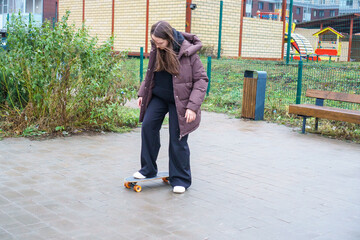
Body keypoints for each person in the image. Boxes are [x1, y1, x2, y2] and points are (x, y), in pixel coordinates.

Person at [133, 21, 208, 194]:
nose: (156, 46)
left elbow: (201, 80)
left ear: (169, 38)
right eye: (154, 42)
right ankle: (148, 169)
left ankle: (180, 178)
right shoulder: (157, 48)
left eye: (159, 42)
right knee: (148, 126)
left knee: (178, 138)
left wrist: (192, 107)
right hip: (159, 97)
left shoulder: (188, 52)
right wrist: (143, 93)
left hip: (180, 100)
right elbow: (150, 72)